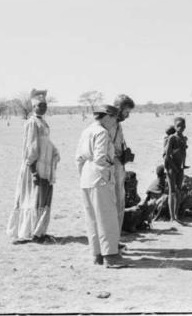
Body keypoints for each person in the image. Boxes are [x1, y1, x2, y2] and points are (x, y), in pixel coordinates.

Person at [76, 104, 128, 268]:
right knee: (107, 218)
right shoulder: (102, 132)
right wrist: (109, 174)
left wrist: (84, 175)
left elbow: (78, 158)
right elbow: (100, 158)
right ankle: (111, 256)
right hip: (100, 177)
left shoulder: (86, 131)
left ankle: (97, 254)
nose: (114, 122)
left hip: (86, 176)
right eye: (114, 118)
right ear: (107, 116)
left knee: (92, 218)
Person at [7, 89, 60, 243]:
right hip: (34, 168)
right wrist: (33, 172)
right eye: (40, 105)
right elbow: (31, 148)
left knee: (41, 199)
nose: (43, 107)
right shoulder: (32, 123)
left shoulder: (42, 121)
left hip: (44, 167)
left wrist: (54, 152)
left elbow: (45, 143)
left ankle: (38, 232)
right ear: (33, 106)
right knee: (32, 199)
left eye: (45, 105)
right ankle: (28, 233)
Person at [110, 95, 135, 242]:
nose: (128, 116)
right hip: (111, 169)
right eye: (127, 112)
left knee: (119, 204)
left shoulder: (118, 125)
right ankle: (113, 241)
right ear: (119, 109)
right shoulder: (110, 126)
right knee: (113, 205)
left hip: (119, 168)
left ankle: (116, 239)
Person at [164, 117, 188, 225]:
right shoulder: (172, 138)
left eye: (183, 125)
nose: (181, 127)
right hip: (171, 168)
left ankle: (177, 215)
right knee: (172, 191)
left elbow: (183, 153)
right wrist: (174, 168)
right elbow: (167, 156)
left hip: (180, 168)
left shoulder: (183, 138)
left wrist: (183, 165)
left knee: (179, 191)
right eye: (178, 125)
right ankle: (172, 217)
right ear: (175, 126)